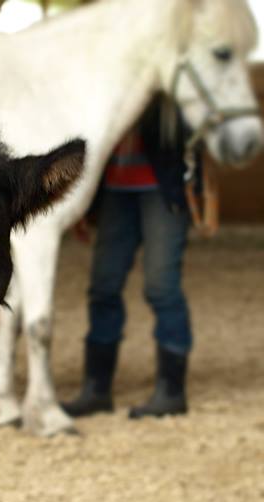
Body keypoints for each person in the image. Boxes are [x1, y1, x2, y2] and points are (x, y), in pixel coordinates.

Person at [63, 96, 199, 419]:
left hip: (161, 190)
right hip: (115, 191)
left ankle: (171, 391)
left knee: (162, 287)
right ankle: (96, 389)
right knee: (103, 287)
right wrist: (88, 206)